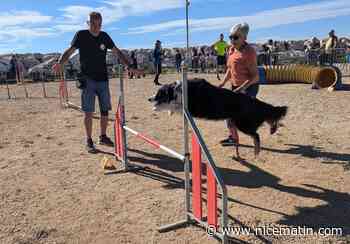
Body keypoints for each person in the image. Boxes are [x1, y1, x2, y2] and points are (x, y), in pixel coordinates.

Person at [52, 11, 138, 153]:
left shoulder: (105, 36)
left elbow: (117, 52)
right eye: (93, 23)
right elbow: (69, 51)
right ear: (88, 23)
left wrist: (129, 66)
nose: (96, 27)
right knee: (88, 112)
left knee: (105, 111)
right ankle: (89, 140)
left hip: (103, 79)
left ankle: (103, 136)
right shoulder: (81, 35)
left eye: (99, 24)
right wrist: (60, 62)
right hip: (88, 79)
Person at [218, 23, 259, 148]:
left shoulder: (249, 52)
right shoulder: (231, 50)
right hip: (235, 87)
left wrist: (241, 89)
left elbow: (255, 77)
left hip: (249, 87)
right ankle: (233, 137)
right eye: (230, 37)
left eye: (236, 37)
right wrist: (223, 83)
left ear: (244, 38)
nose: (232, 40)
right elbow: (230, 69)